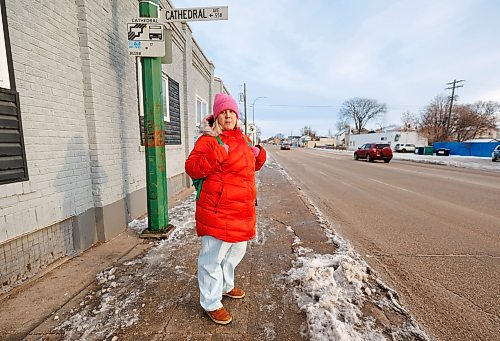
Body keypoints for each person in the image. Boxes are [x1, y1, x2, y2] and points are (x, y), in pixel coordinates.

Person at [185, 93, 267, 325]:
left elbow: (249, 167)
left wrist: (259, 156)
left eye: (231, 111)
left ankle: (225, 286)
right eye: (223, 111)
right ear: (217, 115)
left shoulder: (242, 139)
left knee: (234, 253)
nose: (228, 115)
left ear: (237, 116)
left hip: (242, 210)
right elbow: (192, 168)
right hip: (217, 211)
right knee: (211, 259)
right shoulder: (209, 140)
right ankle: (211, 302)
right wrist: (217, 154)